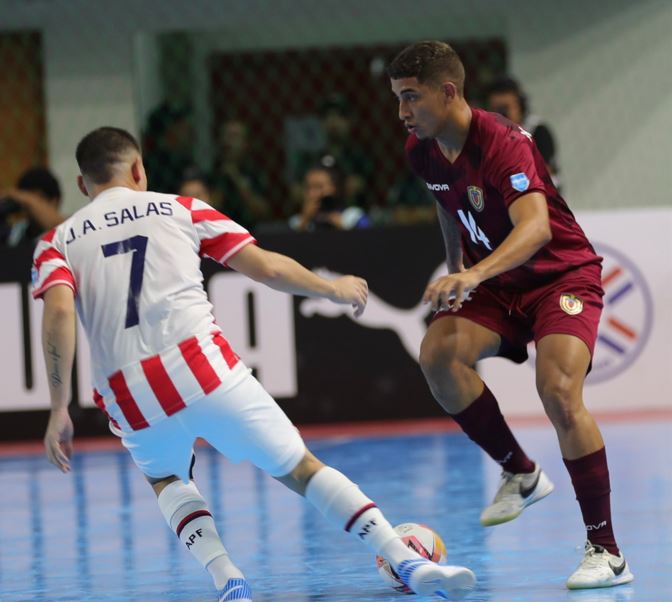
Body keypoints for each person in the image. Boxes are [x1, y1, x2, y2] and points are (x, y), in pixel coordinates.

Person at [33, 126, 475, 601]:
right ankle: (405, 558)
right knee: (301, 469)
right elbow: (265, 267)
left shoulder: (55, 241)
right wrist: (334, 288)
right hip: (201, 368)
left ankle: (229, 581)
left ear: (83, 185)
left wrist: (59, 407)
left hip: (129, 393)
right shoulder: (181, 208)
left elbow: (59, 312)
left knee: (166, 478)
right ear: (138, 169)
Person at [387, 41, 633, 590]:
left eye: (411, 97)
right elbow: (446, 202)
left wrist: (472, 275)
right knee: (438, 356)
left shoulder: (504, 142)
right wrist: (454, 269)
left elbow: (537, 228)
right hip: (496, 286)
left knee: (558, 391)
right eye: (398, 99)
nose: (402, 112)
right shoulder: (421, 149)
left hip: (558, 278)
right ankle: (519, 471)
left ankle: (607, 550)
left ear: (448, 92)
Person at [486, 77, 560, 187]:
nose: (500, 115)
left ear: (520, 105)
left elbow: (543, 173)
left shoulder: (537, 131)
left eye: (505, 108)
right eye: (495, 109)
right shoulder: (491, 136)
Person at [210, 119, 272, 231]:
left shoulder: (254, 171)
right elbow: (210, 206)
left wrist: (235, 176)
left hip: (250, 229)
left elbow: (262, 210)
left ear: (245, 144)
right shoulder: (214, 170)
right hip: (218, 230)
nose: (228, 141)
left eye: (234, 136)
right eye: (226, 135)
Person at [289, 164, 371, 232]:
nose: (312, 193)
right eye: (308, 187)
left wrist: (343, 226)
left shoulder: (353, 217)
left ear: (335, 188)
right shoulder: (298, 222)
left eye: (318, 187)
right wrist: (304, 222)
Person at [0, 167, 65, 247]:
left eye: (37, 199)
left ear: (54, 201)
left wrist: (22, 197)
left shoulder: (68, 228)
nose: (30, 206)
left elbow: (59, 226)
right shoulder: (16, 233)